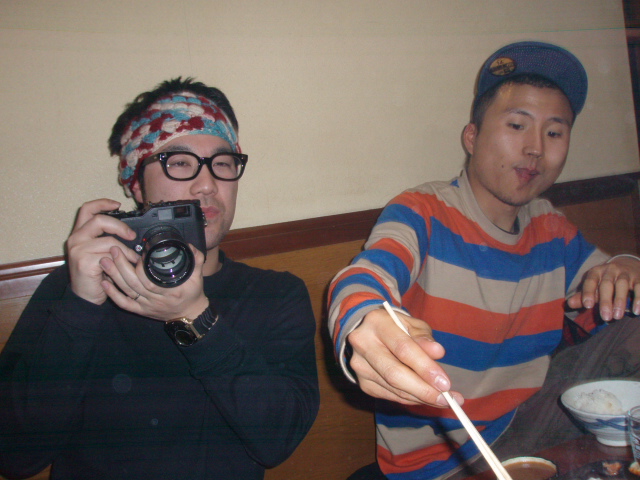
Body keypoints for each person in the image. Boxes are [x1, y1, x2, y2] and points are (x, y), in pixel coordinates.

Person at [327, 41, 640, 480]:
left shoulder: (551, 227)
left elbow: (609, 298)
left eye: (554, 133)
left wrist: (628, 263)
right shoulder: (423, 212)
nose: (535, 148)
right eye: (517, 125)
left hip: (530, 424)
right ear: (472, 137)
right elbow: (367, 274)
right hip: (444, 461)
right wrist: (363, 318)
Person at [0, 78, 319, 480]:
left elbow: (278, 441)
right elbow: (14, 457)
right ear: (136, 184)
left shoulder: (275, 295)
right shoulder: (75, 289)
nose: (208, 185)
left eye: (222, 163)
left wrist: (197, 319)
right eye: (180, 162)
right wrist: (79, 307)